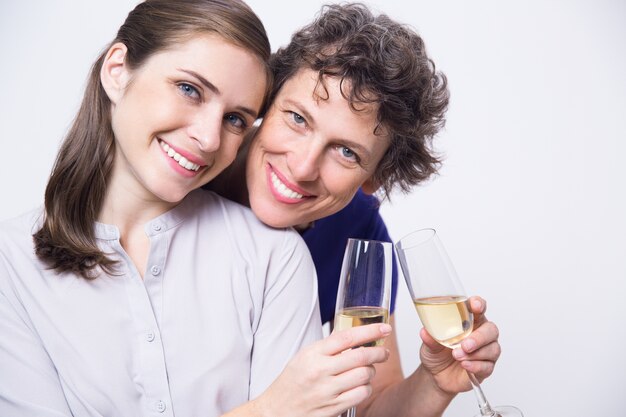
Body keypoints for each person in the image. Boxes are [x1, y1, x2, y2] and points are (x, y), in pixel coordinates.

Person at [0, 1, 390, 416]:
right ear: (117, 71)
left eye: (236, 119)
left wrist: (433, 384)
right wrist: (268, 409)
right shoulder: (13, 263)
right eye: (189, 89)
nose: (207, 138)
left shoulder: (277, 256)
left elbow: (372, 398)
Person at [208, 3, 502, 416]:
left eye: (346, 152)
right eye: (296, 118)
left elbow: (366, 407)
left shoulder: (359, 233)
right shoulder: (189, 169)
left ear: (374, 178)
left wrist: (434, 383)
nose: (303, 165)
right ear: (265, 103)